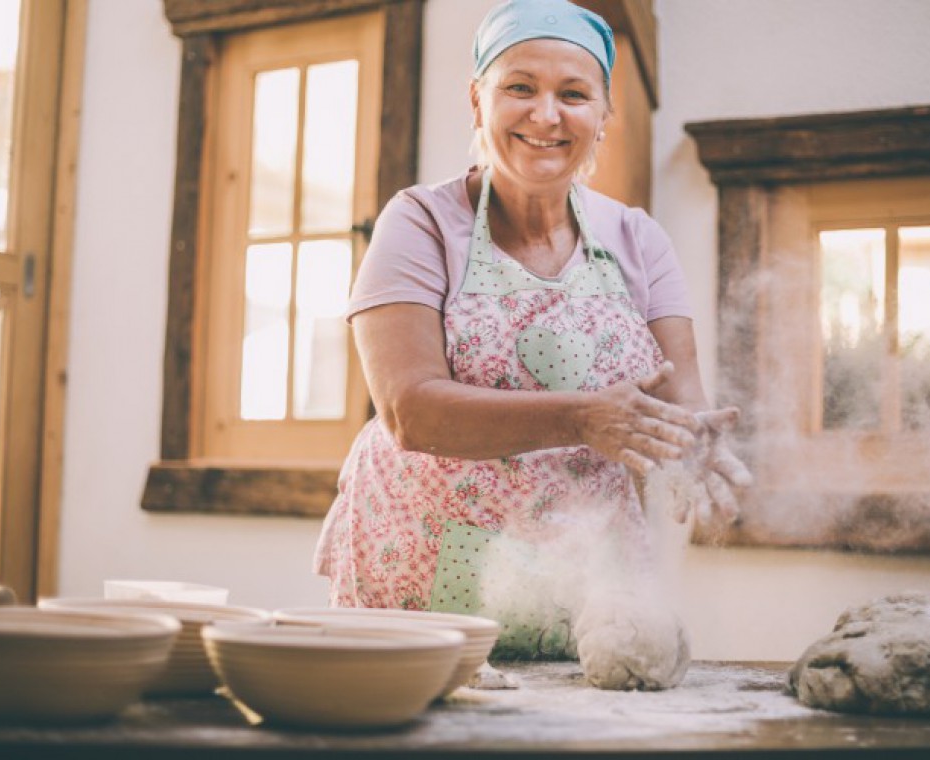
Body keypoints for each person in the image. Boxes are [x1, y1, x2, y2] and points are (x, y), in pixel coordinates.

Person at [313, 0, 748, 657]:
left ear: (603, 115)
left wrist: (693, 445)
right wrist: (581, 419)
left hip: (589, 574)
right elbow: (409, 410)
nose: (546, 115)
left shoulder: (638, 239)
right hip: (423, 575)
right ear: (477, 100)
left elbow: (680, 399)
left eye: (574, 94)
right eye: (520, 87)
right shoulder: (421, 223)